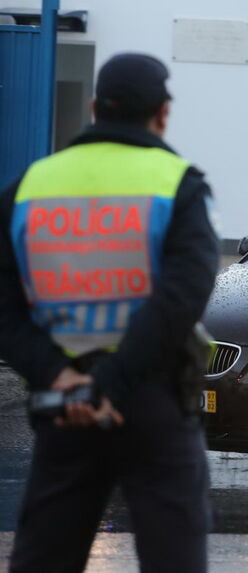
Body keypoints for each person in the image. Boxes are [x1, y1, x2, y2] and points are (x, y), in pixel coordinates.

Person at [0, 53, 220, 572]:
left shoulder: (30, 187)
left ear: (95, 108)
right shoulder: (178, 185)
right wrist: (112, 385)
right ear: (162, 114)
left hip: (65, 401)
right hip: (151, 401)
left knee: (45, 558)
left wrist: (63, 378)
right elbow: (181, 298)